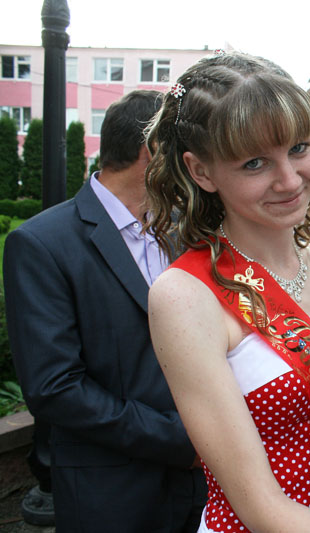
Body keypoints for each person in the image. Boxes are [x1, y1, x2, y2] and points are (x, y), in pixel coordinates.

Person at [144, 51, 310, 532]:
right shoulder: (185, 296)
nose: (290, 180)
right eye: (255, 163)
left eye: (298, 147)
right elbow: (260, 506)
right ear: (201, 171)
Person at [3, 90, 207, 531]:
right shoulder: (42, 243)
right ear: (154, 149)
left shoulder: (184, 232)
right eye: (189, 150)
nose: (199, 165)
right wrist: (180, 442)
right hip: (113, 494)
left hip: (203, 488)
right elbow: (55, 387)